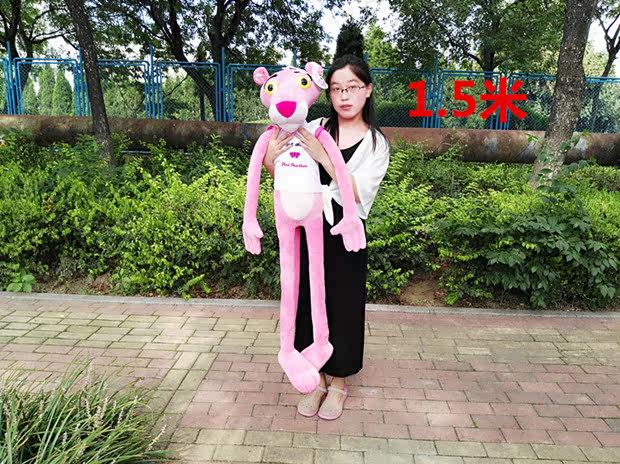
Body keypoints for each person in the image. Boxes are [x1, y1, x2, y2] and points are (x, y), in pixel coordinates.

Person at [262, 53, 390, 420]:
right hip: (307, 228)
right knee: (306, 300)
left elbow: (359, 192)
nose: (344, 96)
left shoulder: (376, 143)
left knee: (343, 305)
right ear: (327, 93)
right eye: (336, 89)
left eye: (352, 87)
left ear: (368, 90)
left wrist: (323, 156)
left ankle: (339, 383)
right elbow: (282, 170)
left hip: (345, 232)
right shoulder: (312, 125)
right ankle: (315, 378)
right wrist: (270, 158)